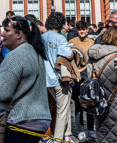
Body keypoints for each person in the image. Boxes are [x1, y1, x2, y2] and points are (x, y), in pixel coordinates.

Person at [0, 16, 51, 143]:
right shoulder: (35, 52)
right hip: (39, 120)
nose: (2, 34)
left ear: (19, 34)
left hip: (21, 120)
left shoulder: (16, 55)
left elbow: (3, 93)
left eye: (7, 30)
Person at [41, 12, 74, 142]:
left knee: (62, 108)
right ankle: (59, 138)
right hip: (59, 78)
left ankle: (67, 134)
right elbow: (68, 54)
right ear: (60, 23)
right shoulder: (60, 38)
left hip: (46, 78)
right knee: (62, 110)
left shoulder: (43, 37)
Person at [69, 20, 95, 131]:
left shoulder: (92, 43)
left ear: (87, 30)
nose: (81, 32)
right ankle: (80, 129)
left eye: (83, 29)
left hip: (88, 74)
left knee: (90, 103)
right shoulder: (72, 41)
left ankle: (90, 129)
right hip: (76, 74)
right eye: (79, 30)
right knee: (78, 103)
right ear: (76, 30)